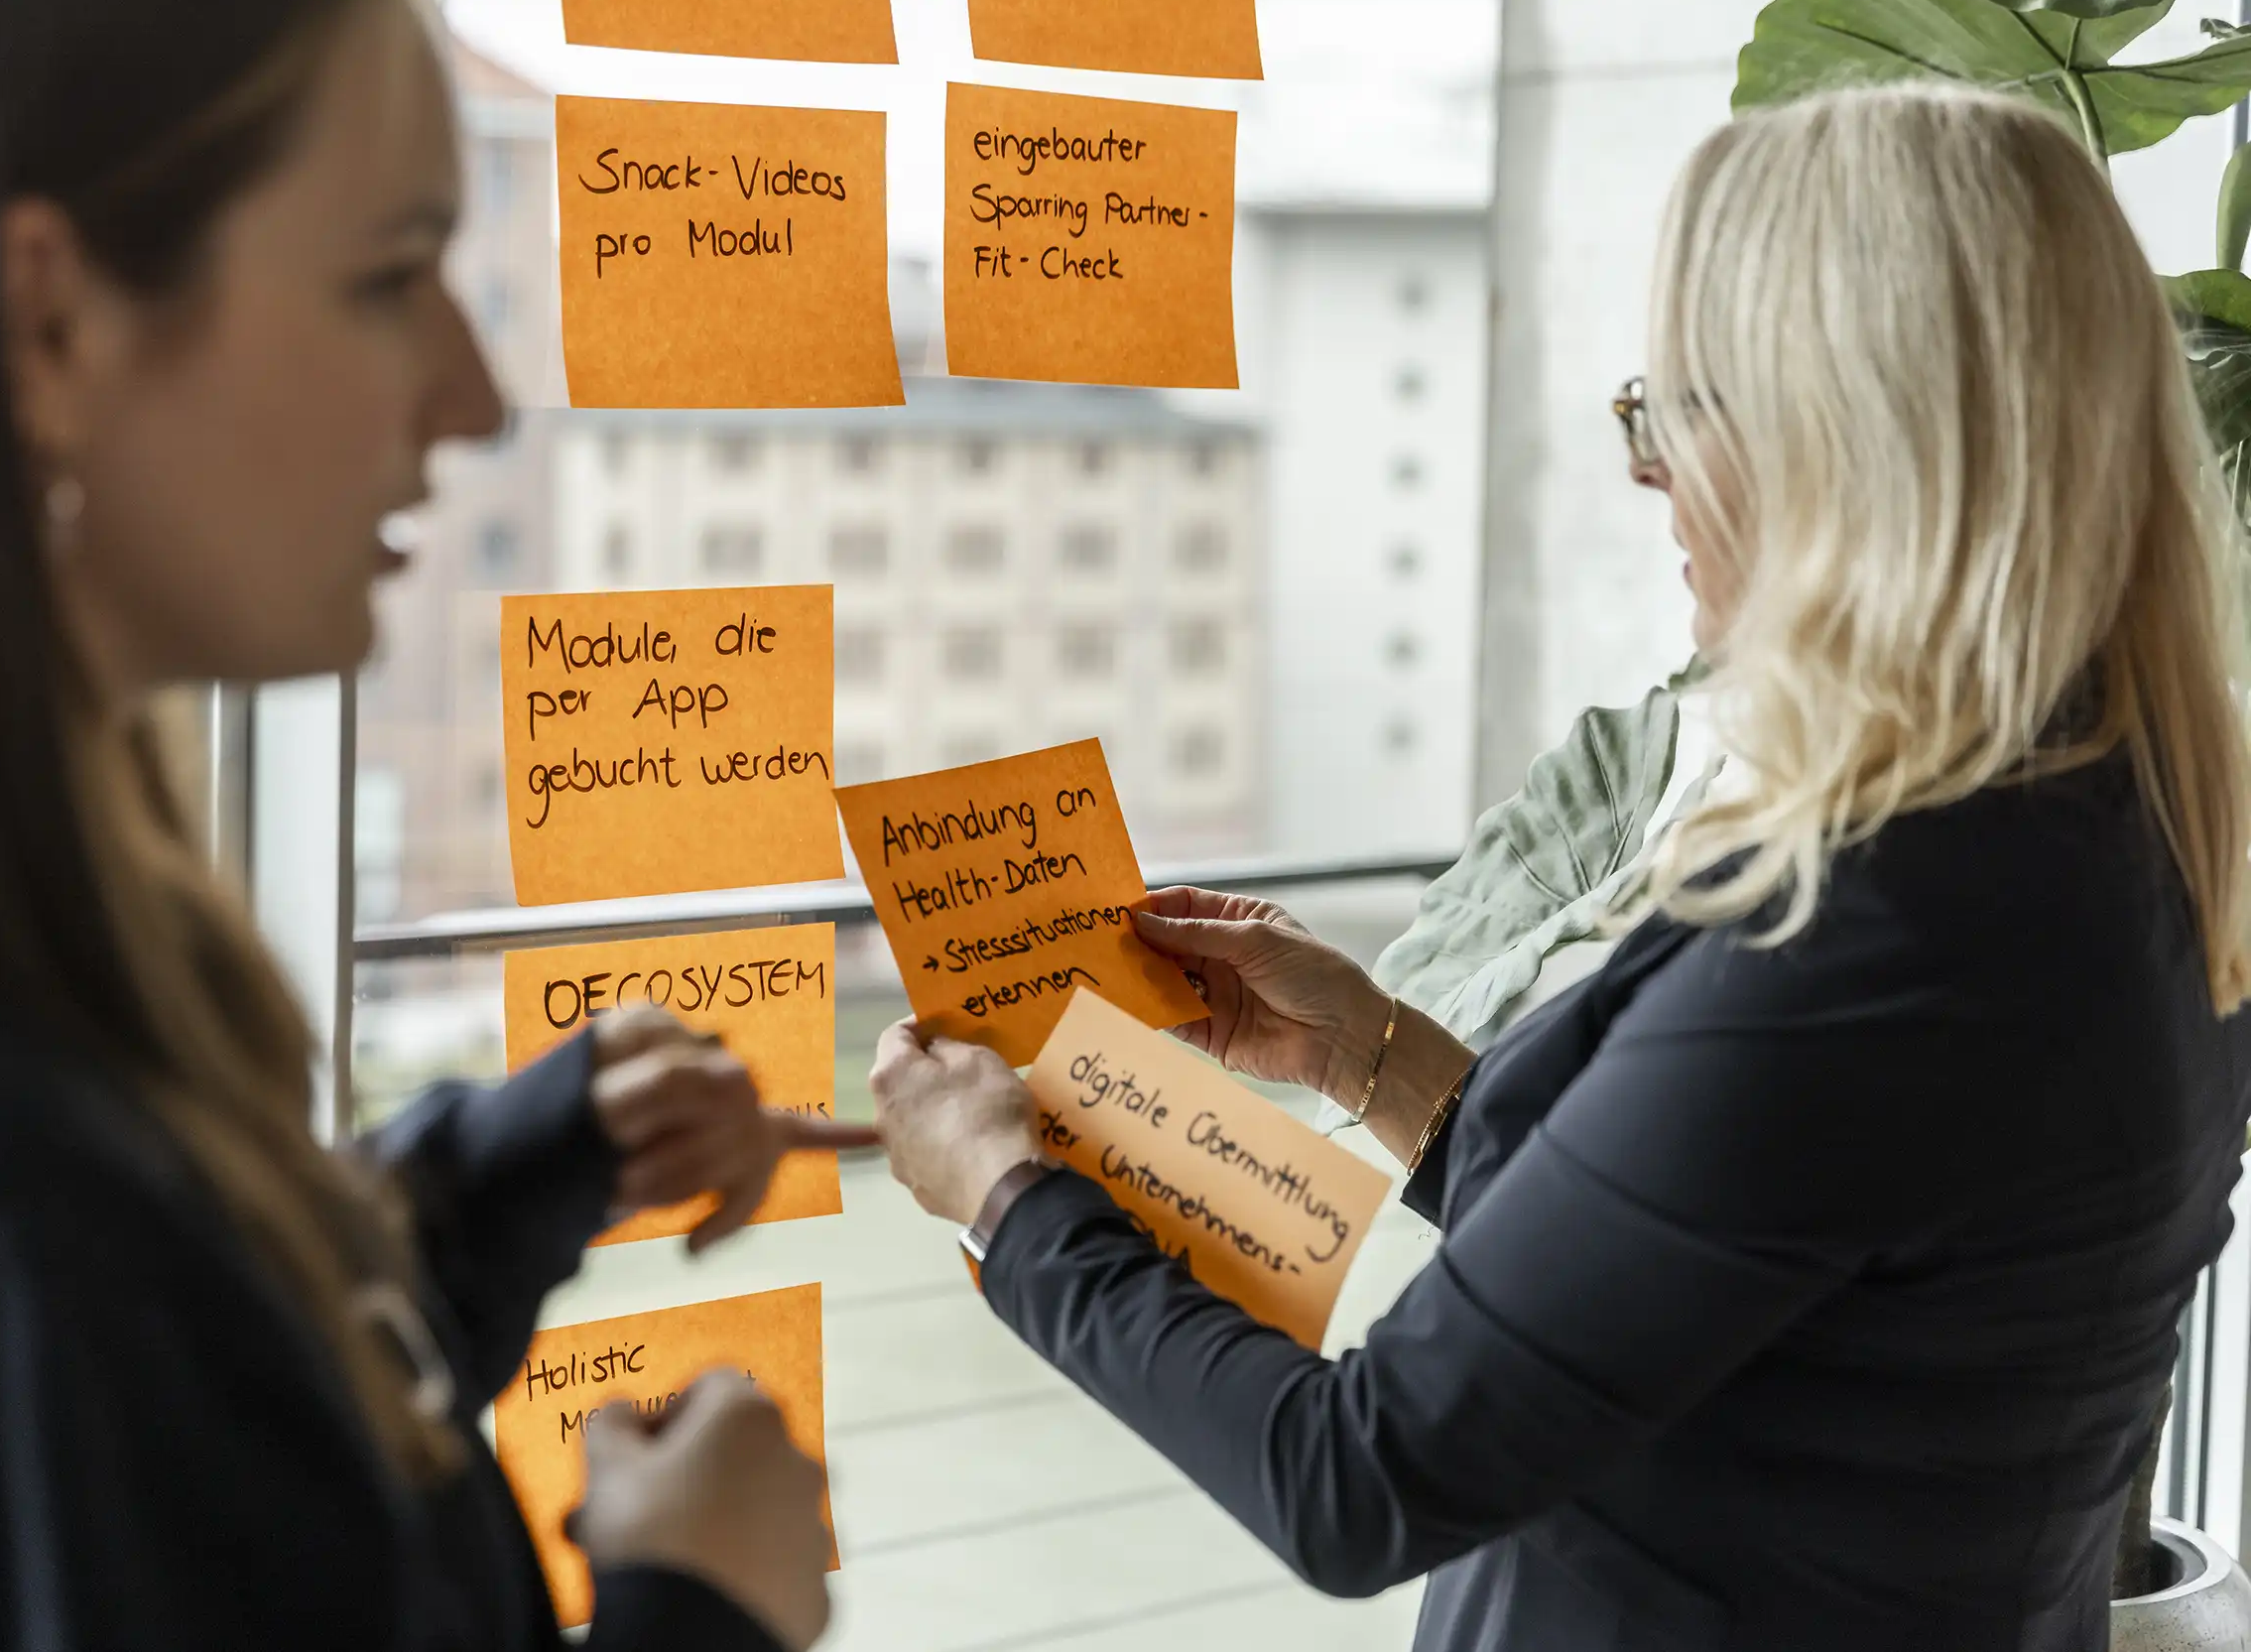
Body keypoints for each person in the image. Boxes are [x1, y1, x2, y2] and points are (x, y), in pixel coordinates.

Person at [871, 82, 2251, 1652]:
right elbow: (1723, 1257)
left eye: (1682, 408)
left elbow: (1362, 1474)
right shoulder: (2131, 840)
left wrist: (1008, 1201)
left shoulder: (1871, 934)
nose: (1650, 471)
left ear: (1850, 435)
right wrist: (1365, 1055)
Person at [0, 0, 864, 1647]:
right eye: (392, 275)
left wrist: (502, 1174)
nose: (472, 399)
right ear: (47, 320)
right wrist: (699, 1606)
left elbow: (192, 1466)